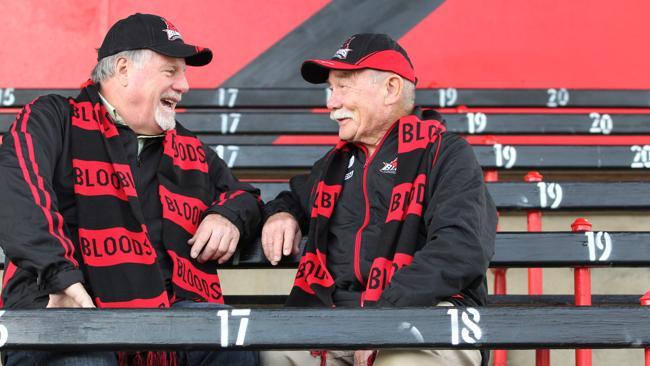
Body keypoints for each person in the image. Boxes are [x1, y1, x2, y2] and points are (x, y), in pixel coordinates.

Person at [0, 13, 260, 366]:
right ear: (123, 69)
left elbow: (243, 195)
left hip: (163, 319)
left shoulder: (187, 148)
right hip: (57, 309)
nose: (184, 85)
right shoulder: (52, 118)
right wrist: (62, 278)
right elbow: (15, 190)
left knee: (230, 346)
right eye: (171, 71)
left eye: (183, 73)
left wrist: (228, 215)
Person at [260, 34, 497, 366]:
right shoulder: (333, 164)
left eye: (343, 87)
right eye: (331, 89)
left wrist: (384, 315)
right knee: (273, 355)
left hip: (429, 316)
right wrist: (282, 214)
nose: (331, 102)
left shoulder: (446, 153)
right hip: (337, 321)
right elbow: (291, 198)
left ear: (391, 89)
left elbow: (461, 247)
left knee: (402, 364)